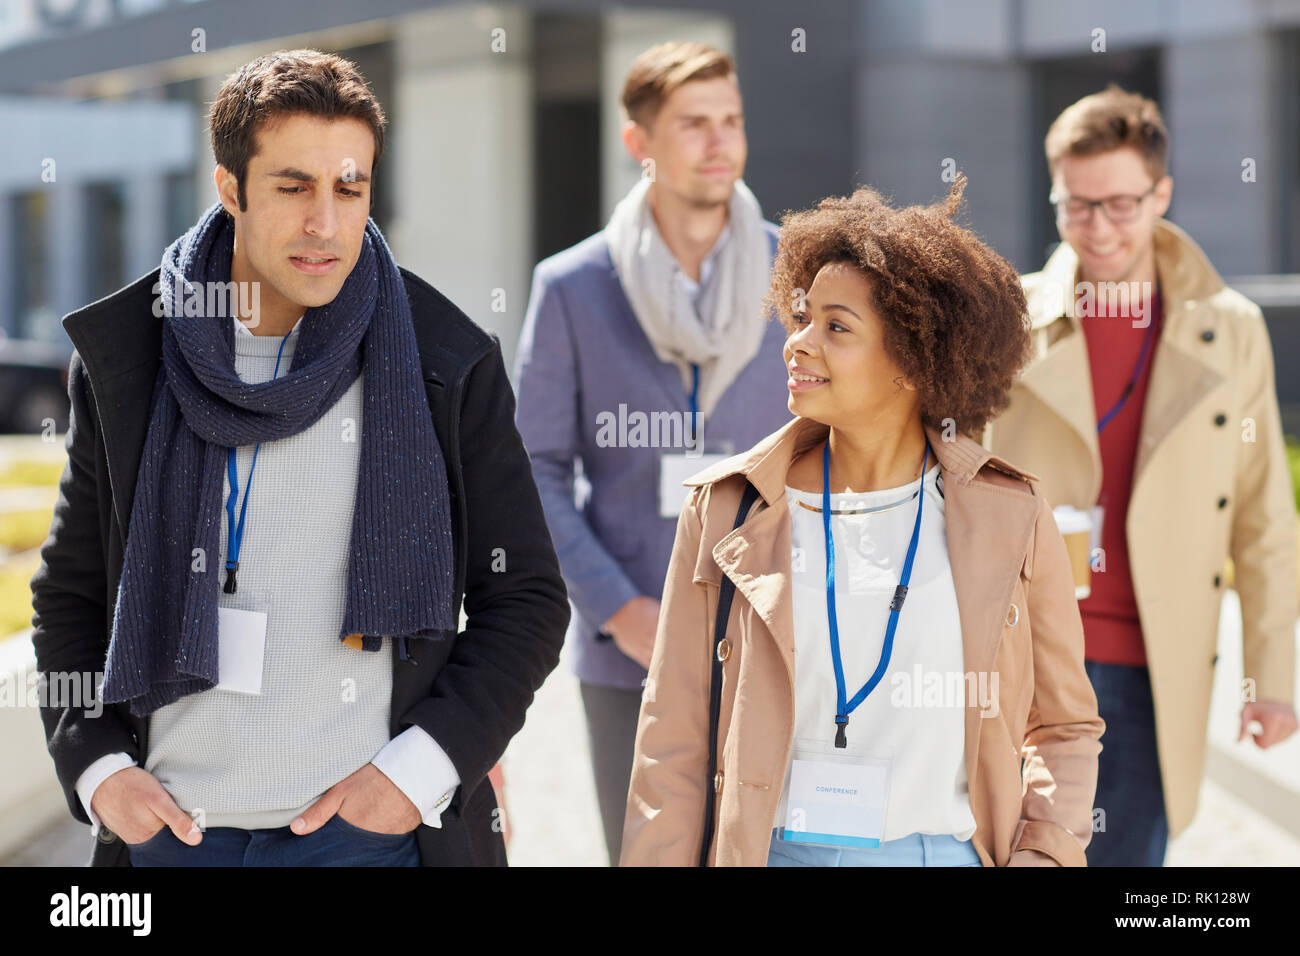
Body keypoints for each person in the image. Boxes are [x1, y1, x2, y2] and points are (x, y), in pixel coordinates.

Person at [28, 49, 569, 867]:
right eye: (293, 187)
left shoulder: (442, 360)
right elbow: (70, 594)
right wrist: (100, 770)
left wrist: (413, 776)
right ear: (230, 189)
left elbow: (526, 599)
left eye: (348, 189)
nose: (325, 222)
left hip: (366, 841)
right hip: (172, 837)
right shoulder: (130, 359)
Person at [620, 175, 1104, 867]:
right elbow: (671, 739)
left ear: (915, 358)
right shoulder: (726, 508)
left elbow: (1063, 725)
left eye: (836, 327)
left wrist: (1046, 853)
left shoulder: (1014, 515)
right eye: (802, 318)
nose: (798, 343)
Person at [984, 85, 1298, 866]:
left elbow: (1263, 518)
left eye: (1121, 204)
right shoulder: (1007, 320)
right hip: (1026, 659)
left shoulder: (1230, 331)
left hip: (1154, 668)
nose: (1100, 229)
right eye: (1077, 206)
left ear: (1161, 193)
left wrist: (1274, 676)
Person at [513, 41, 790, 865]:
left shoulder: (798, 274)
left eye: (731, 121)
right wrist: (615, 607)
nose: (719, 143)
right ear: (639, 143)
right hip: (628, 647)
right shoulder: (572, 287)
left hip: (777, 632)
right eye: (693, 124)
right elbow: (532, 466)